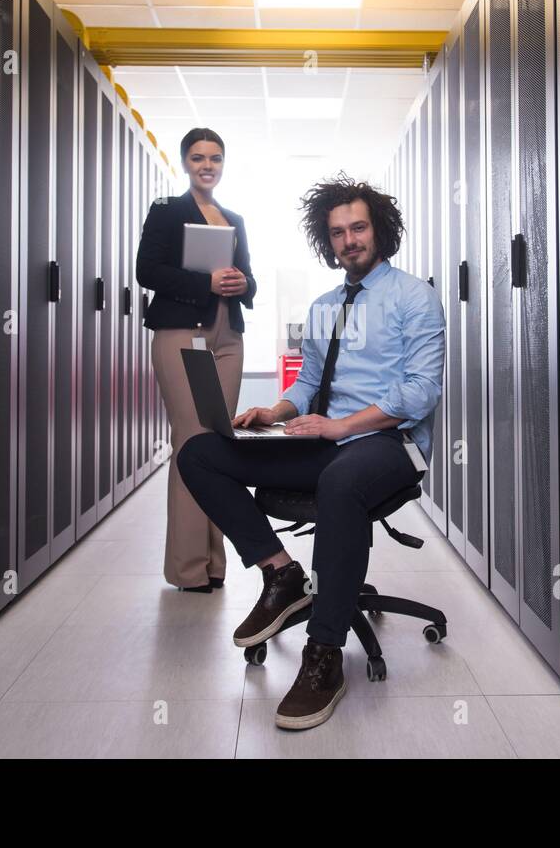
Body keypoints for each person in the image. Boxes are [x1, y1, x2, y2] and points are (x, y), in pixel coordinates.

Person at [176, 173, 444, 730]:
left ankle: (324, 654)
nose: (350, 240)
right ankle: (282, 574)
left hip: (388, 443)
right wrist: (272, 413)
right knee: (200, 452)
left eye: (359, 228)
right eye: (339, 232)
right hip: (328, 438)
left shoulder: (415, 297)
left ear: (380, 230)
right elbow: (307, 385)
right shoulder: (324, 306)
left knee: (341, 483)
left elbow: (419, 394)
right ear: (329, 242)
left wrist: (340, 427)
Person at [137, 128, 256, 593]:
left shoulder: (234, 218)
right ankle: (187, 568)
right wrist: (204, 284)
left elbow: (250, 275)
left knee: (217, 444)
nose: (208, 165)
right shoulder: (167, 211)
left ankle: (215, 563)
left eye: (216, 158)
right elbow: (147, 271)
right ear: (185, 162)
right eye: (199, 157)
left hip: (228, 337)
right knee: (190, 441)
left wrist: (243, 284)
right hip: (183, 333)